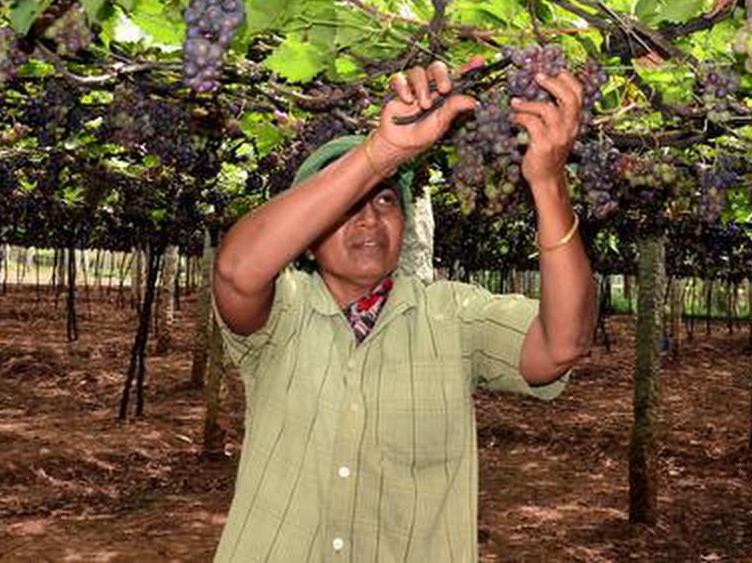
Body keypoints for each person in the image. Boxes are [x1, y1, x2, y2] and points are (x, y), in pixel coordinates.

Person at [211, 60, 596, 561]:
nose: (368, 219)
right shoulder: (281, 315)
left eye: (387, 201)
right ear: (304, 242)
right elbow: (236, 271)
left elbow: (563, 342)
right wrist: (381, 154)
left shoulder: (454, 317)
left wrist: (548, 184)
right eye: (347, 207)